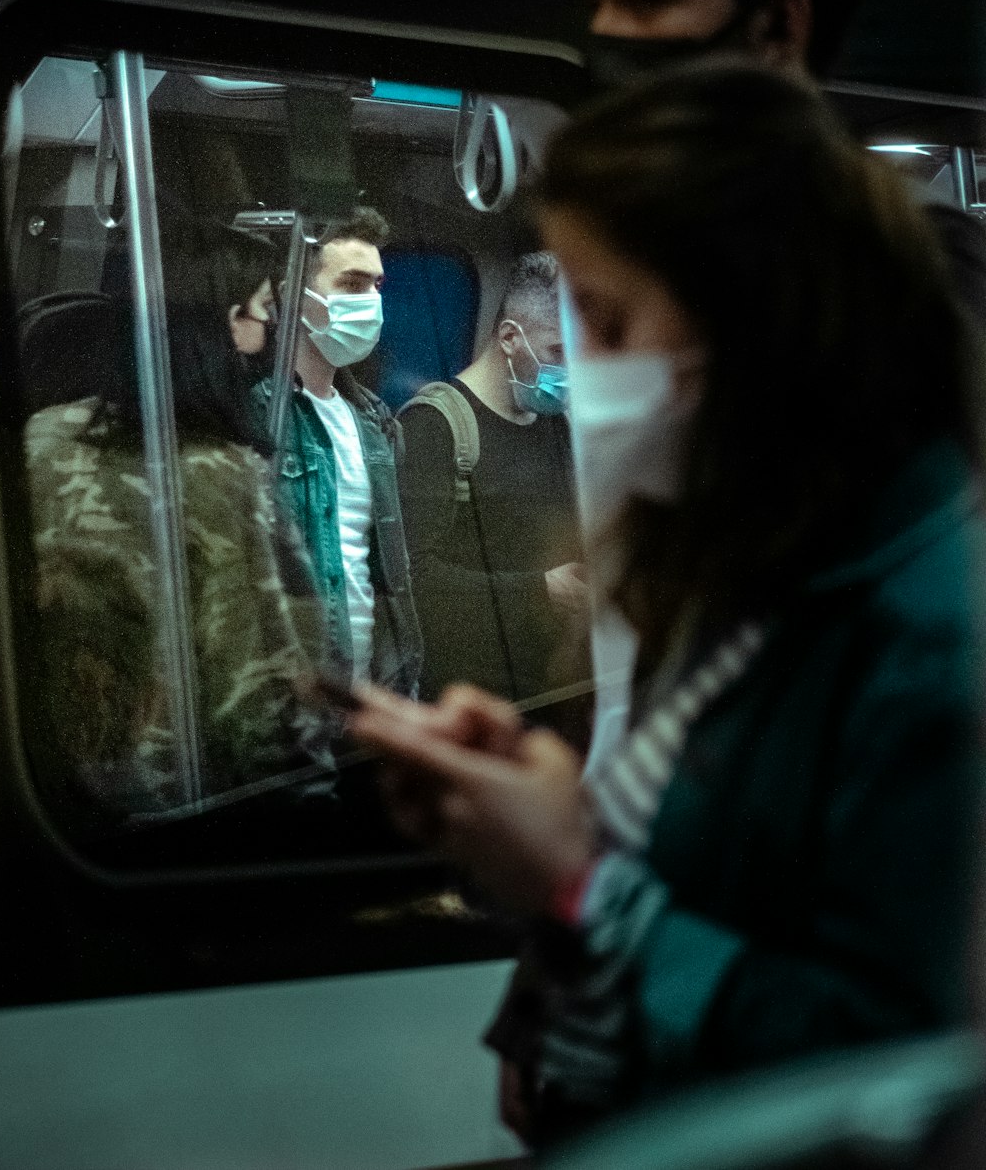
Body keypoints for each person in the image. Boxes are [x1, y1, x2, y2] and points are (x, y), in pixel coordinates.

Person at [353, 60, 986, 1149]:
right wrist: (549, 954)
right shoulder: (756, 566)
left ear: (752, 323)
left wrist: (570, 882)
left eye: (607, 319)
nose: (588, 376)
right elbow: (695, 866)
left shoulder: (932, 640)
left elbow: (893, 1074)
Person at [543, 0, 986, 321]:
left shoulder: (915, 262)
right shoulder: (667, 246)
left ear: (776, 24)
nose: (604, 31)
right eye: (595, 5)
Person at [21, 229, 348, 817]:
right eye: (267, 311)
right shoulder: (217, 476)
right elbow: (262, 694)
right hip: (166, 806)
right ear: (225, 323)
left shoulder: (38, 437)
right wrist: (315, 815)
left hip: (46, 796)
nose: (274, 333)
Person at [396, 252, 584, 707]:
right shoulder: (436, 427)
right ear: (508, 338)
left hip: (554, 687)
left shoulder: (553, 424)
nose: (570, 368)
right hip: (473, 696)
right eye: (558, 351)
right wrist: (540, 590)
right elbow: (415, 579)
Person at [256, 206, 421, 699]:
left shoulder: (376, 424)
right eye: (352, 284)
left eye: (376, 286)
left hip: (371, 693)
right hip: (295, 695)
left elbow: (380, 575)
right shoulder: (263, 417)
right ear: (294, 296)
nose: (371, 302)